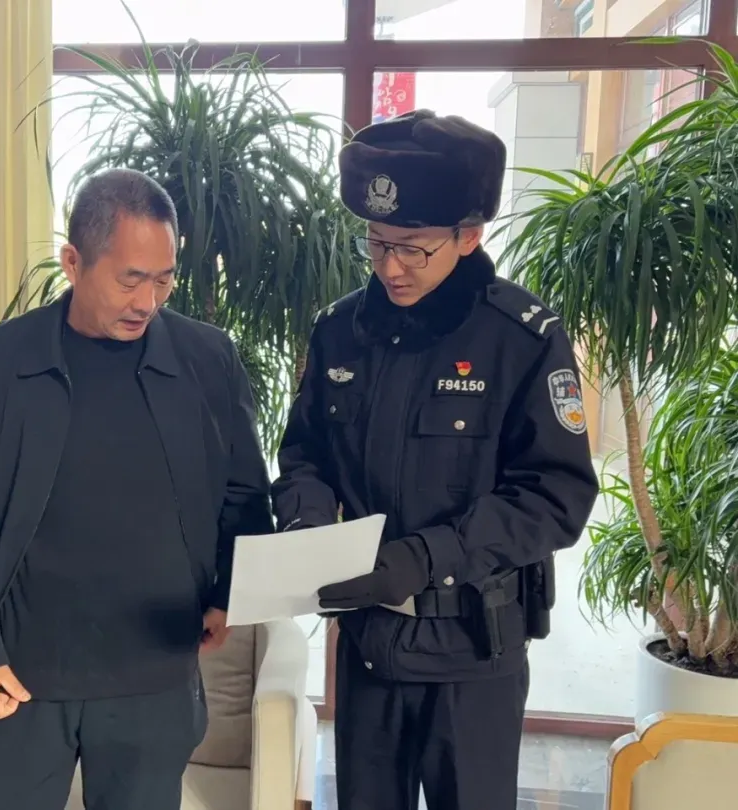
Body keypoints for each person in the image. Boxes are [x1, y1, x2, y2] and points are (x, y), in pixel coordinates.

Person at [0, 168, 274, 810]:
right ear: (73, 262)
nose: (147, 301)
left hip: (153, 679)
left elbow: (244, 493)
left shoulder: (208, 360)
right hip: (18, 676)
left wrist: (228, 594)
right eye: (130, 279)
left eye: (164, 279)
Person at [271, 110, 599, 810]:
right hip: (369, 644)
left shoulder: (521, 338)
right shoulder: (341, 330)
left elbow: (556, 496)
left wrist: (425, 557)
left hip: (473, 653)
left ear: (468, 235)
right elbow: (305, 454)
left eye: (412, 249)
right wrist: (306, 527)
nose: (390, 267)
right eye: (375, 242)